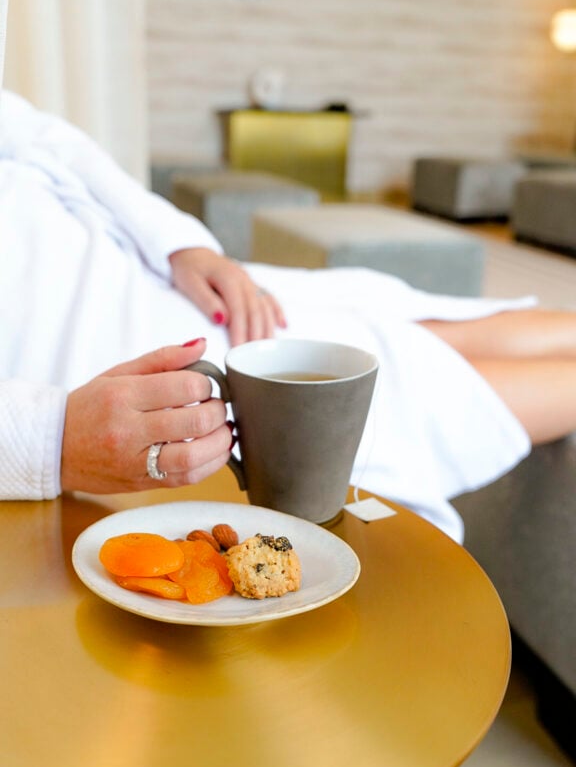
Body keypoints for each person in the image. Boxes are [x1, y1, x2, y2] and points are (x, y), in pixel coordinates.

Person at [3, 89, 576, 543]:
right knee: (388, 380)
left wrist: (183, 246)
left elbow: (44, 137)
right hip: (92, 363)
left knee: (391, 323)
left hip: (158, 275)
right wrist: (48, 439)